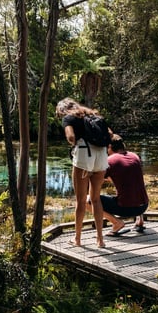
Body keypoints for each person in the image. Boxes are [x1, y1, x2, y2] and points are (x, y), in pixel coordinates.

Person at [56, 97, 109, 248]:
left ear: (62, 110)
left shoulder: (69, 118)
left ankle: (77, 239)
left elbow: (71, 136)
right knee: (96, 199)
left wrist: (75, 144)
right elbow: (110, 135)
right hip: (101, 156)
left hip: (84, 155)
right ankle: (100, 240)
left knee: (80, 200)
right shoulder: (94, 115)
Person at [96, 134, 148, 236]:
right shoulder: (135, 156)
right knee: (135, 184)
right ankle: (140, 220)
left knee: (87, 201)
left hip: (126, 209)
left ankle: (117, 223)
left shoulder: (110, 160)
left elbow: (97, 181)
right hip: (143, 206)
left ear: (110, 147)